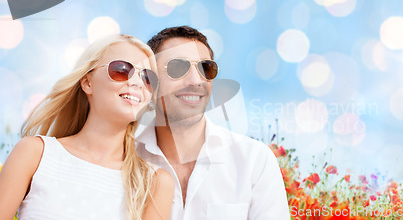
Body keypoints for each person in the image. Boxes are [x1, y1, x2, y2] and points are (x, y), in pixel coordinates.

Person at [0, 34, 174, 220]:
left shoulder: (155, 182)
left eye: (147, 78)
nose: (137, 83)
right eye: (122, 69)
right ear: (87, 83)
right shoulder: (34, 153)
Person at [135, 26, 290, 220]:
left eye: (205, 68)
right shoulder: (125, 160)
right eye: (177, 68)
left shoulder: (254, 160)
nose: (195, 80)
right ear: (149, 80)